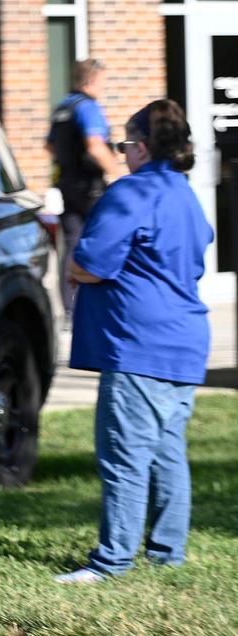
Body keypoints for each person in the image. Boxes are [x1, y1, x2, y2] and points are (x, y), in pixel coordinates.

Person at [56, 99, 211, 584]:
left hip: (138, 344)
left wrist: (74, 268)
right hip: (184, 341)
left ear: (142, 147)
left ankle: (112, 562)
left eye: (125, 144)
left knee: (124, 455)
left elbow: (90, 264)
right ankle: (167, 554)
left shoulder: (131, 193)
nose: (122, 153)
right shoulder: (185, 194)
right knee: (167, 452)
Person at [46, 58, 127, 324]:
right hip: (90, 188)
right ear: (91, 80)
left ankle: (70, 310)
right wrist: (117, 173)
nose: (104, 87)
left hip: (66, 185)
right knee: (106, 239)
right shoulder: (88, 108)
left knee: (71, 244)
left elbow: (50, 148)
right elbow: (95, 145)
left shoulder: (63, 107)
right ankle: (101, 306)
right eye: (103, 81)